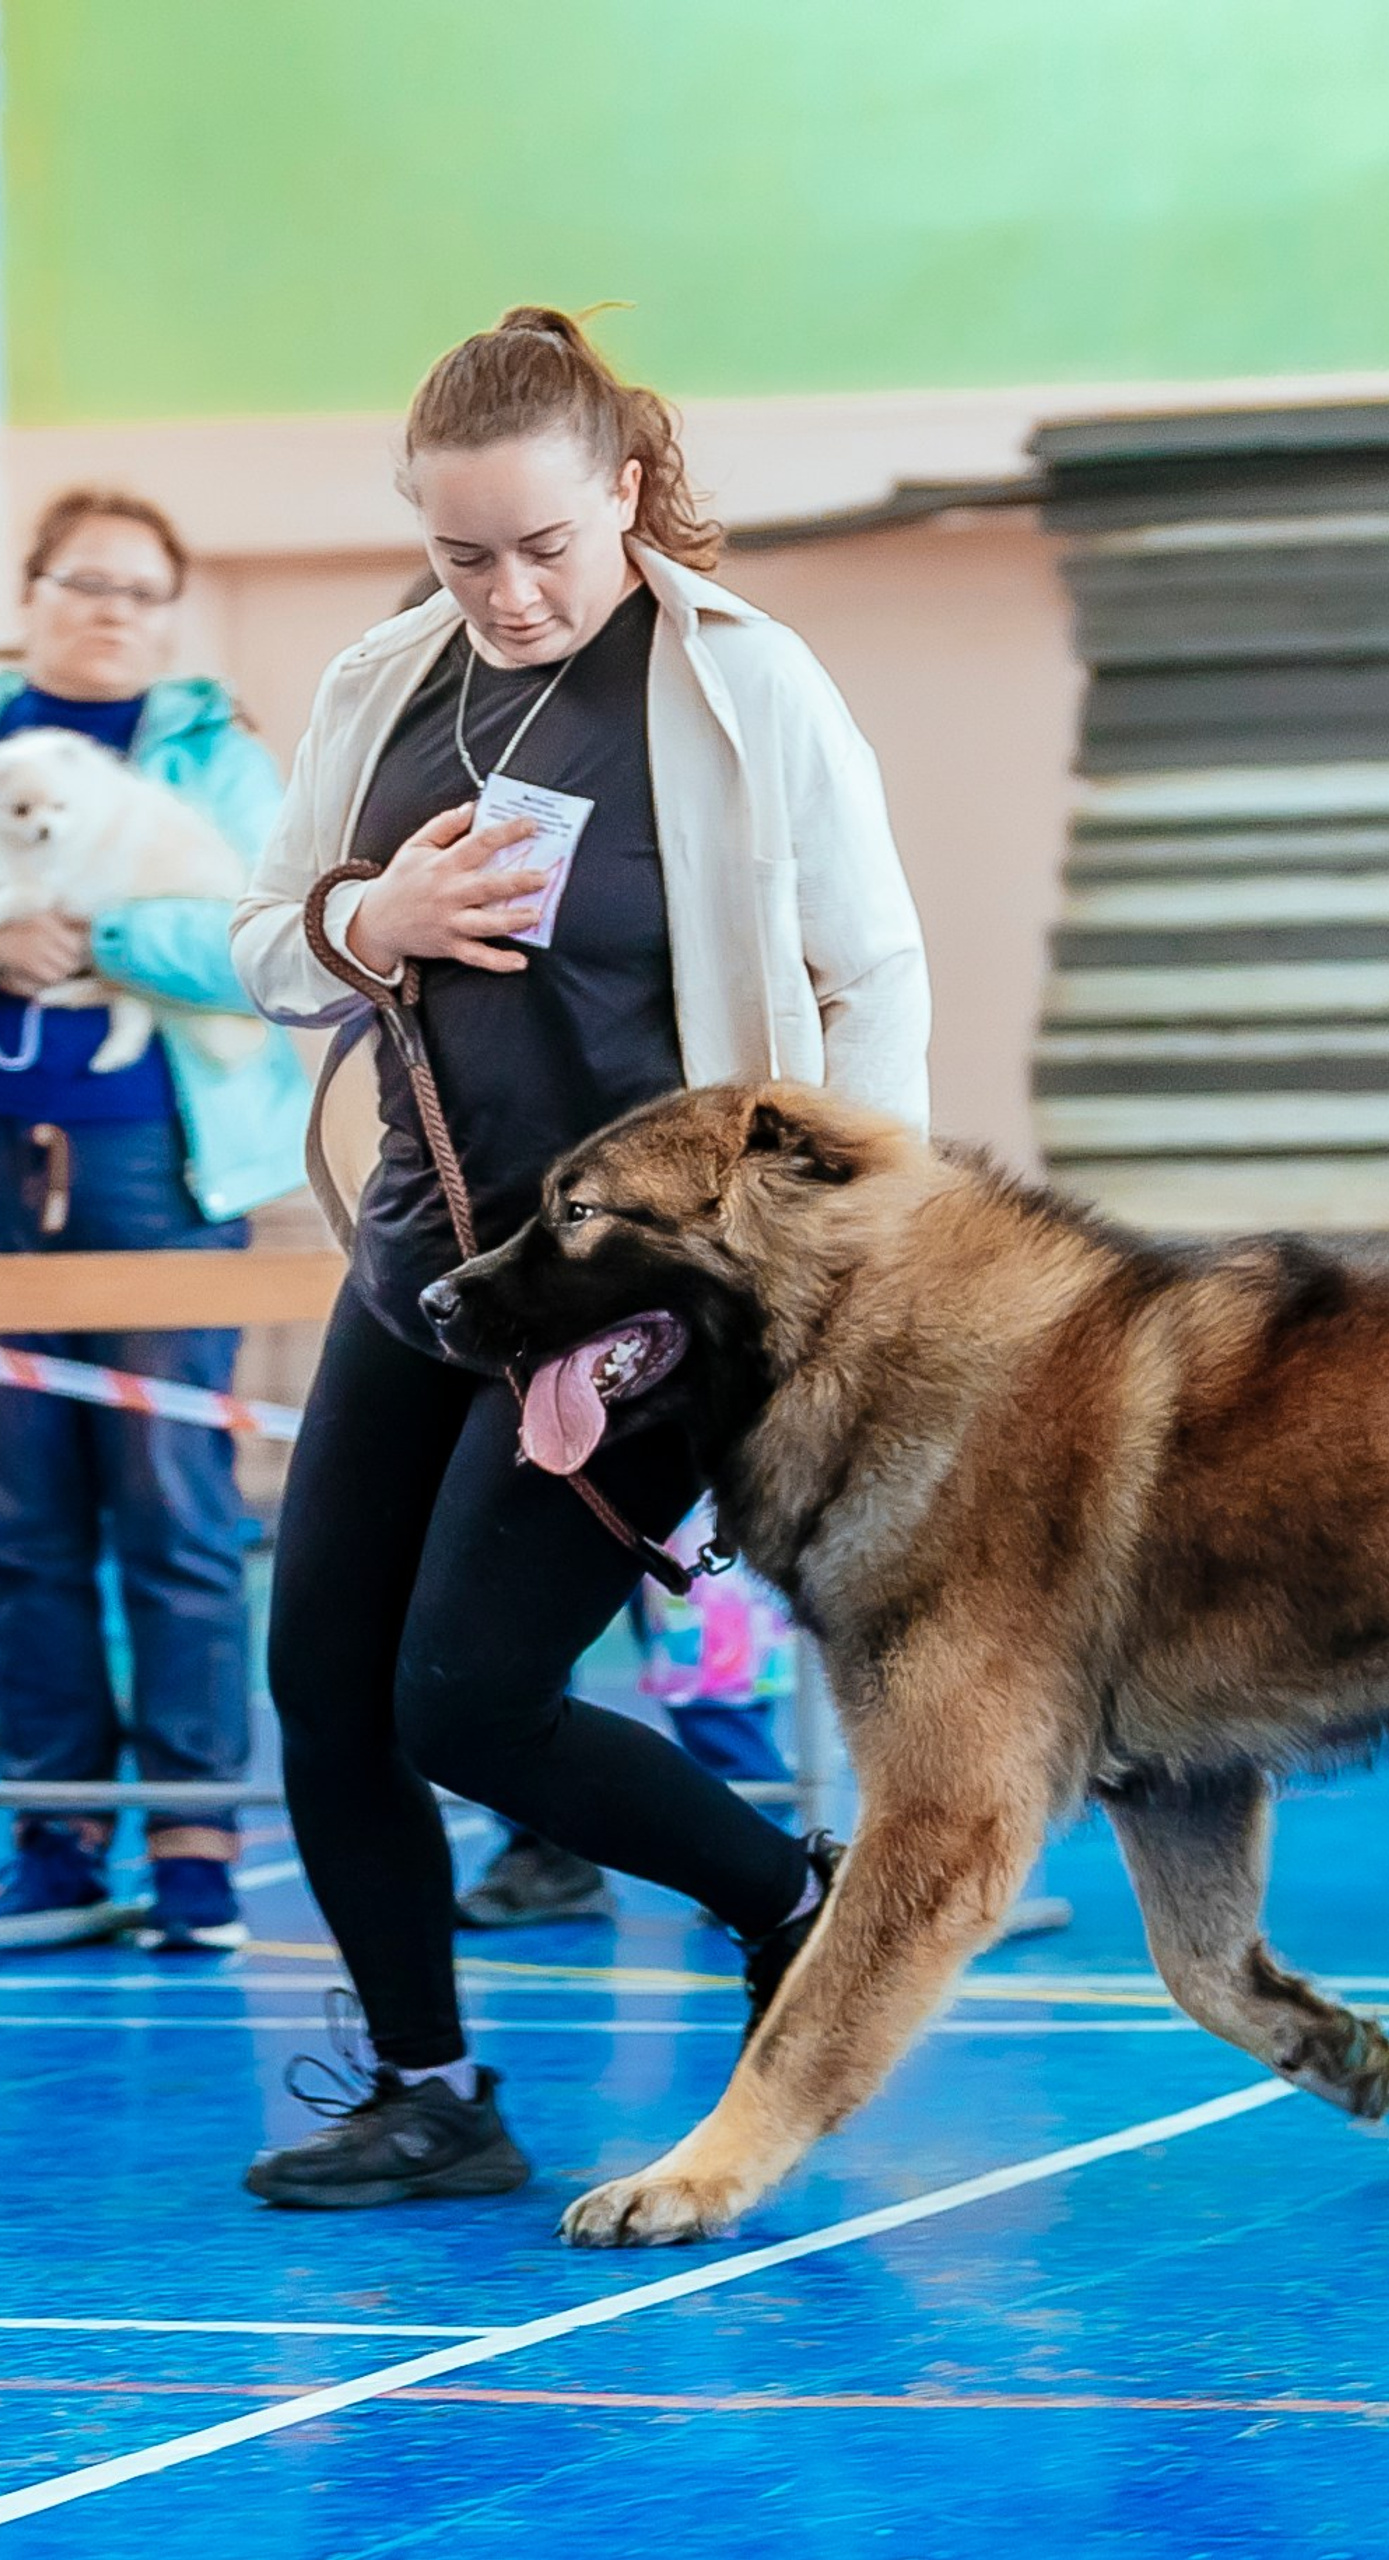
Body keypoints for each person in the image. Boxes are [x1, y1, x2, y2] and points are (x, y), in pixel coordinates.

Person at [229, 307, 930, 2208]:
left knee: (460, 1699)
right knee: (322, 1684)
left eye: (544, 543)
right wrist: (372, 908)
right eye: (465, 553)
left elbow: (876, 971)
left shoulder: (743, 681)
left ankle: (792, 1898)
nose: (509, 590)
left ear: (624, 492)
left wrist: (850, 1257)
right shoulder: (385, 681)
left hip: (646, 1299)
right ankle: (429, 2089)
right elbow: (269, 949)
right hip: (428, 1266)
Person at [0, 489, 307, 1956]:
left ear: (169, 613)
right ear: (33, 593)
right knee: (20, 1517)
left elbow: (266, 943)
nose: (114, 609)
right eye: (86, 582)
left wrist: (99, 934)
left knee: (174, 1501)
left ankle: (194, 1840)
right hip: (10, 1166)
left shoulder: (217, 754)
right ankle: (51, 1832)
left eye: (143, 590)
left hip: (160, 1172)